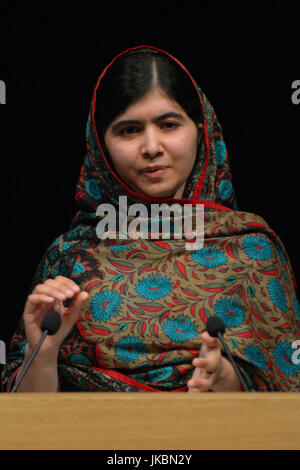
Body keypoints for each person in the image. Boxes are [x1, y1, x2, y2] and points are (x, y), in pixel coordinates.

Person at [2, 45, 300, 392]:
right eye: (129, 130)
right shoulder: (70, 256)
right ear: (101, 146)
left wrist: (228, 381)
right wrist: (43, 354)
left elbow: (288, 400)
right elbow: (25, 427)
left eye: (169, 124)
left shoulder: (252, 251)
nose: (151, 146)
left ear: (201, 131)